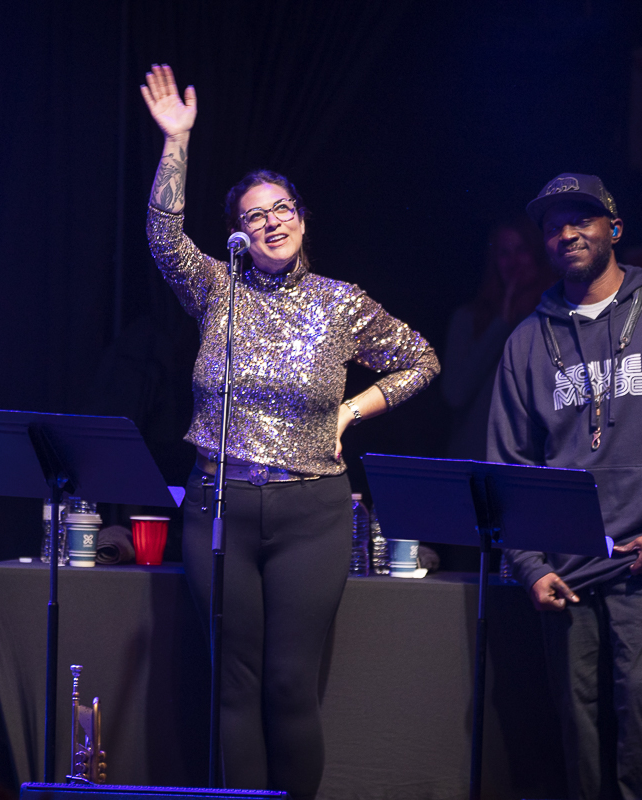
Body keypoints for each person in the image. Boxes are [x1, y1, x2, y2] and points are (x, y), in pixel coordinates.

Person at [140, 64, 439, 800]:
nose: (269, 222)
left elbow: (421, 359)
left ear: (302, 216)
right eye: (252, 215)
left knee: (286, 682)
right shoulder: (218, 288)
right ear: (237, 232)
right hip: (219, 504)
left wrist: (349, 410)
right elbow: (161, 236)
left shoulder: (341, 304)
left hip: (310, 510)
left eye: (281, 209)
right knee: (233, 684)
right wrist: (176, 142)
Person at [487, 173, 642, 800]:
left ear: (613, 229)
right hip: (564, 570)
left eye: (581, 219)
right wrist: (529, 564)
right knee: (577, 730)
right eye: (553, 225)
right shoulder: (526, 341)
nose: (567, 233)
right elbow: (510, 461)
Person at [441, 217, 555, 460]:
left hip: (536, 460)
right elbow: (455, 394)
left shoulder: (553, 318)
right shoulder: (468, 319)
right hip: (477, 458)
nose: (514, 261)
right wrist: (501, 323)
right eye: (504, 252)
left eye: (521, 250)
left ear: (537, 253)